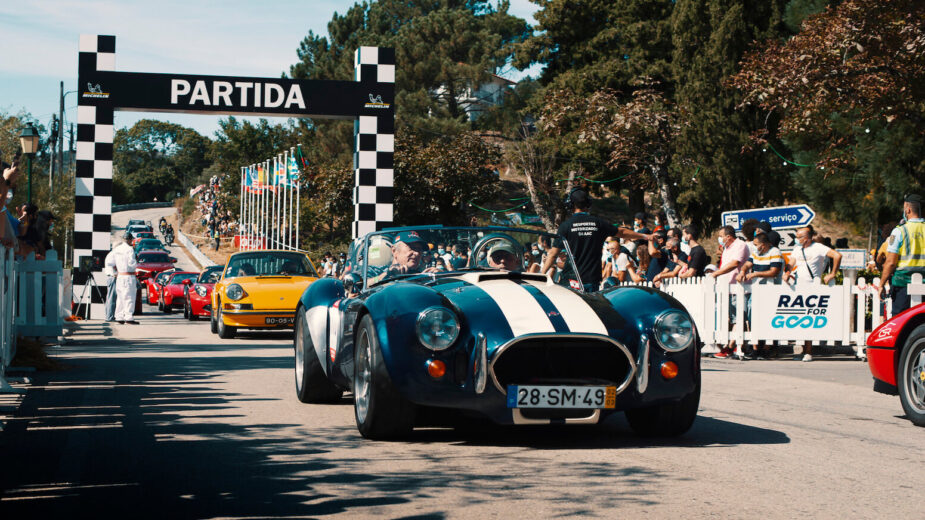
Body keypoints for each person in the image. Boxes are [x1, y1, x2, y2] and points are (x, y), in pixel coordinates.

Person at [541, 188, 652, 292]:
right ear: (588, 204)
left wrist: (541, 274)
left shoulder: (566, 226)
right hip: (591, 279)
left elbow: (553, 254)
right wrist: (646, 236)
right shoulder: (598, 223)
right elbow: (622, 232)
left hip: (571, 279)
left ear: (571, 205)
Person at [784, 225, 842, 361]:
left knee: (808, 319)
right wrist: (787, 272)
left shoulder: (818, 248)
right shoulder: (797, 249)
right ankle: (804, 350)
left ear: (807, 238)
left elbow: (837, 255)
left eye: (799, 237)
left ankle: (808, 351)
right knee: (800, 319)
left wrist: (833, 273)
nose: (796, 239)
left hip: (812, 286)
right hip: (798, 286)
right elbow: (791, 263)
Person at [879, 194, 924, 315]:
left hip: (902, 285)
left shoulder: (899, 231)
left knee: (901, 322)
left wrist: (881, 284)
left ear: (908, 209)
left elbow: (891, 262)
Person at [710, 225, 751, 359]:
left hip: (737, 287)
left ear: (728, 236)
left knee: (738, 318)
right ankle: (730, 345)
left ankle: (732, 346)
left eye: (721, 236)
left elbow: (735, 264)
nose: (719, 239)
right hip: (726, 287)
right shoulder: (727, 248)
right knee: (730, 318)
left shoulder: (740, 245)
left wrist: (716, 273)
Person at [105, 232, 139, 324]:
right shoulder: (130, 250)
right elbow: (131, 264)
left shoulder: (117, 249)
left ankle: (119, 316)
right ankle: (129, 317)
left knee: (120, 297)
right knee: (129, 297)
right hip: (129, 275)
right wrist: (137, 262)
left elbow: (109, 262)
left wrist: (113, 273)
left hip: (120, 276)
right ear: (129, 239)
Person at [103, 246, 117, 322]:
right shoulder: (113, 255)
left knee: (110, 297)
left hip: (111, 277)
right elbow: (111, 265)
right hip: (112, 277)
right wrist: (115, 273)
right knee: (112, 297)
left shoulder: (111, 254)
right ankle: (109, 316)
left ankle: (109, 315)